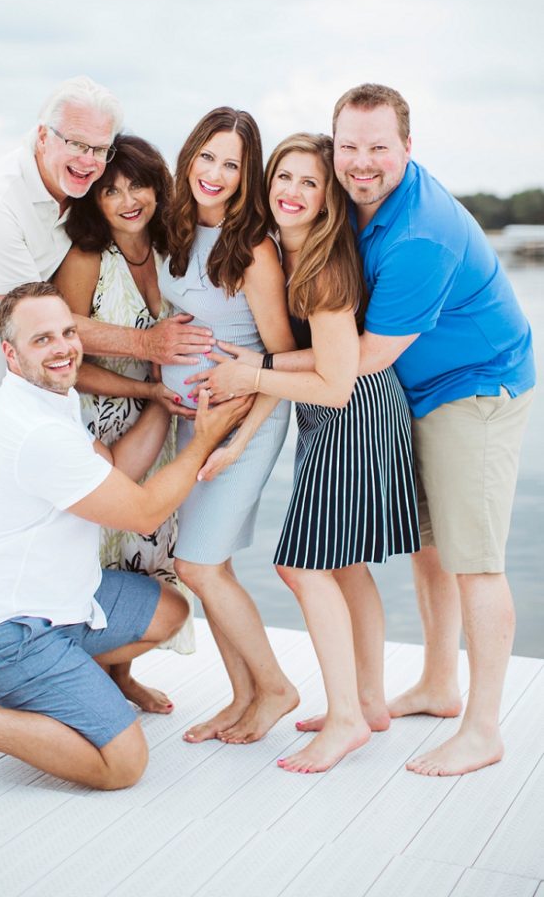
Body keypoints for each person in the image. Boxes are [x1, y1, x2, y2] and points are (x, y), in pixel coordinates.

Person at [0, 75, 214, 750]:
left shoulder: (76, 199)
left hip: (13, 395)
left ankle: (34, 676)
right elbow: (46, 323)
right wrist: (150, 347)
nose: (90, 160)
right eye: (74, 143)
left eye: (99, 147)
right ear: (42, 136)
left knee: (59, 524)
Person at [0, 281, 250, 791]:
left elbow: (113, 468)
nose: (64, 347)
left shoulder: (47, 397)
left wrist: (161, 399)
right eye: (42, 339)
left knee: (169, 610)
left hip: (60, 603)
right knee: (124, 764)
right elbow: (141, 513)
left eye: (68, 332)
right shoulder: (37, 432)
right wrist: (202, 439)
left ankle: (33, 692)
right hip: (6, 635)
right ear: (10, 352)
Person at [189, 132, 420, 772]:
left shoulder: (321, 266)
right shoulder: (289, 252)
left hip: (353, 416)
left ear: (327, 199)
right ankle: (367, 703)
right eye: (283, 177)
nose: (291, 191)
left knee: (303, 567)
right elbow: (317, 356)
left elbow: (337, 381)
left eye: (309, 183)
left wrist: (252, 376)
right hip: (340, 414)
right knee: (344, 566)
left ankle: (346, 718)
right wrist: (252, 390)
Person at [330, 83, 535, 776]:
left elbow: (362, 358)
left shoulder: (421, 231)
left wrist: (261, 369)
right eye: (348, 146)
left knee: (474, 559)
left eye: (377, 147)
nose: (361, 162)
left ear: (406, 149)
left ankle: (482, 730)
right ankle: (439, 684)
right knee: (429, 547)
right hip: (417, 390)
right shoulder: (354, 203)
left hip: (475, 386)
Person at [157, 106, 299, 745]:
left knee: (199, 565)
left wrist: (238, 439)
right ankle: (243, 696)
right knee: (211, 564)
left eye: (232, 165)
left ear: (248, 178)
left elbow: (279, 359)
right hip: (194, 424)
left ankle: (274, 688)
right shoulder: (174, 231)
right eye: (207, 157)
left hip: (245, 424)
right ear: (189, 157)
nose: (214, 173)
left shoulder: (255, 252)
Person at [55, 134, 194, 715]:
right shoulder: (88, 256)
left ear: (158, 186)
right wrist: (146, 390)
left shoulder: (171, 251)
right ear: (95, 199)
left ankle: (119, 675)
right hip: (101, 424)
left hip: (162, 422)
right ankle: (80, 674)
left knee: (145, 553)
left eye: (137, 184)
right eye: (111, 190)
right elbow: (65, 362)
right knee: (97, 553)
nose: (127, 199)